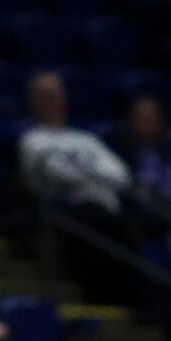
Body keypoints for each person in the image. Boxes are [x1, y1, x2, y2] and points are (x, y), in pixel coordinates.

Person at [17, 69, 141, 304]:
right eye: (45, 95)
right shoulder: (32, 140)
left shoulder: (86, 139)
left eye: (56, 94)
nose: (52, 101)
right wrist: (93, 173)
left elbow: (121, 175)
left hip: (107, 212)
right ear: (33, 101)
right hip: (67, 213)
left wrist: (81, 173)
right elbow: (55, 174)